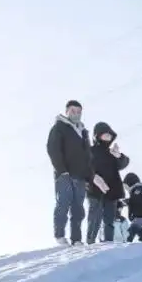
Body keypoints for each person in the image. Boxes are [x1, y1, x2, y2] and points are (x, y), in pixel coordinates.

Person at [46, 99, 94, 246]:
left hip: (80, 177)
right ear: (67, 111)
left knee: (78, 209)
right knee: (63, 204)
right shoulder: (60, 127)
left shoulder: (83, 132)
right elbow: (53, 149)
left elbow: (88, 157)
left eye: (79, 112)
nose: (76, 114)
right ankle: (60, 236)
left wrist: (88, 177)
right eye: (73, 111)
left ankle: (76, 239)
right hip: (65, 174)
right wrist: (61, 171)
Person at [85, 121, 130, 244]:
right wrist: (93, 178)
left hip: (112, 190)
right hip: (94, 190)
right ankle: (90, 242)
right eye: (105, 134)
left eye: (110, 135)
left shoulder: (112, 152)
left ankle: (108, 243)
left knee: (109, 219)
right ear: (97, 135)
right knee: (95, 217)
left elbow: (124, 163)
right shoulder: (89, 151)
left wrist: (119, 156)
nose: (108, 137)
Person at [122, 172, 142, 242]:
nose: (126, 189)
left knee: (129, 233)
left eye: (126, 186)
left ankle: (125, 248)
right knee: (141, 234)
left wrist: (127, 201)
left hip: (140, 217)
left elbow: (136, 200)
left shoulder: (137, 190)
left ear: (130, 183)